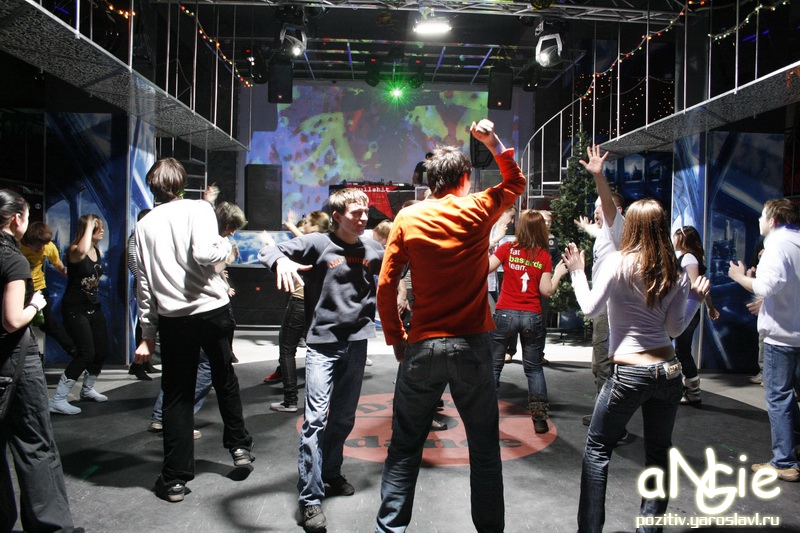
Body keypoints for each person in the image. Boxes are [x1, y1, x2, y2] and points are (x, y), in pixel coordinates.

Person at [375, 118, 524, 533]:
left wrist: (397, 339)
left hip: (423, 343)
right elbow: (516, 182)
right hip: (473, 344)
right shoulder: (477, 207)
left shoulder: (408, 217)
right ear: (464, 178)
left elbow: (386, 286)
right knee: (484, 449)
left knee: (404, 449)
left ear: (431, 181)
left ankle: (389, 530)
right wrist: (492, 141)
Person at [562, 198, 710, 533]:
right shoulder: (675, 270)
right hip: (668, 372)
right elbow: (674, 329)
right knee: (659, 454)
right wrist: (695, 300)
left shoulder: (619, 262)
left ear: (631, 226)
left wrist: (577, 272)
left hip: (629, 374)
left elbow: (590, 308)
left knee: (597, 450)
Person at [258, 188, 383, 533]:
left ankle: (330, 472)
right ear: (338, 216)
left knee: (343, 419)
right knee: (314, 421)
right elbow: (268, 250)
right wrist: (281, 260)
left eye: (366, 212)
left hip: (357, 345)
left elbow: (398, 266)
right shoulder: (317, 243)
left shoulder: (372, 249)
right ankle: (310, 499)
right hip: (322, 346)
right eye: (356, 213)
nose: (363, 218)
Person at [134, 158, 254, 503]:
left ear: (153, 186)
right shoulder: (199, 208)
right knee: (224, 376)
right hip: (213, 311)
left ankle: (174, 479)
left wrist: (148, 333)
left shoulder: (144, 224)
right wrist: (226, 248)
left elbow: (144, 284)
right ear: (182, 183)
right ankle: (239, 447)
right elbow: (206, 253)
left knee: (177, 395)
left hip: (174, 318)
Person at [0, 190, 84, 533]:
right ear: (17, 219)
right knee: (34, 441)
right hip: (14, 359)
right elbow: (12, 320)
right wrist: (35, 303)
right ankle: (51, 527)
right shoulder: (13, 259)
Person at [728, 198, 800, 482]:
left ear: (772, 220)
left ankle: (784, 462)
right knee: (790, 396)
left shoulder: (775, 246)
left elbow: (765, 285)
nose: (759, 221)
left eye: (762, 216)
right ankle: (793, 447)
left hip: (780, 337)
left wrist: (738, 276)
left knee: (778, 397)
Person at [488, 209, 568, 434]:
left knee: (494, 365)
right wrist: (558, 273)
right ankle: (539, 418)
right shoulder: (543, 255)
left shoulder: (507, 248)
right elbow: (546, 291)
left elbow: (484, 268)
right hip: (531, 315)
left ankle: (487, 414)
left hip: (505, 313)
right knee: (533, 369)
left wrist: (490, 244)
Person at [574, 145, 625, 429]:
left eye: (599, 207)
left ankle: (608, 422)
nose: (596, 211)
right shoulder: (608, 232)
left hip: (608, 307)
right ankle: (605, 417)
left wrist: (598, 176)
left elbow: (607, 205)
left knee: (604, 364)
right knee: (601, 364)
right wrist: (587, 228)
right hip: (604, 306)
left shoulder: (617, 225)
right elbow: (600, 230)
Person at [264, 210, 333, 415]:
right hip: (317, 304)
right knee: (317, 352)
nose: (304, 226)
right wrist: (291, 227)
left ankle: (290, 400)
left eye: (307, 223)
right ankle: (318, 402)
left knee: (287, 350)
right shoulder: (329, 245)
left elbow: (283, 251)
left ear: (314, 227)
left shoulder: (310, 246)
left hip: (300, 302)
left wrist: (270, 246)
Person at [49, 214, 111, 415]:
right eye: (98, 227)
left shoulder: (97, 251)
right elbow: (82, 251)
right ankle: (57, 399)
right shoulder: (75, 250)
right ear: (88, 229)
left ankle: (87, 389)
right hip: (75, 308)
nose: (102, 230)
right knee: (86, 354)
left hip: (93, 306)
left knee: (101, 350)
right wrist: (89, 224)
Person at [672, 225, 720, 405]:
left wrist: (709, 307)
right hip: (686, 309)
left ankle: (691, 390)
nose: (673, 239)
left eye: (676, 236)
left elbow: (696, 286)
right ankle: (689, 389)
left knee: (681, 350)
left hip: (686, 310)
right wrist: (709, 307)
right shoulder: (689, 257)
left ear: (683, 239)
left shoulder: (689, 258)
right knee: (679, 350)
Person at [20, 221, 77, 357]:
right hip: (19, 290)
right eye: (38, 245)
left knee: (49, 324)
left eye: (43, 245)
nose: (41, 248)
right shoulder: (17, 245)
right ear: (29, 241)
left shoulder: (49, 247)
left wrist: (70, 275)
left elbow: (57, 264)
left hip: (38, 288)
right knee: (17, 324)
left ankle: (73, 350)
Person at [126, 208, 156, 381]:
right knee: (144, 324)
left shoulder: (142, 237)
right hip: (145, 287)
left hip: (149, 285)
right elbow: (132, 260)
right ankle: (138, 365)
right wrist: (144, 279)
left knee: (148, 323)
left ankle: (144, 363)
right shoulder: (135, 237)